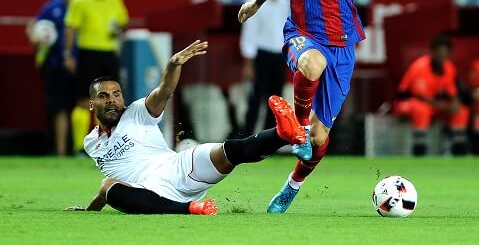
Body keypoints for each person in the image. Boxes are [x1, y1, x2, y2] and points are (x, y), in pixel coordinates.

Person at [237, 0, 400, 213]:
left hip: (343, 46)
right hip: (302, 33)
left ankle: (292, 186)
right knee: (312, 64)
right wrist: (256, 3)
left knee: (321, 137)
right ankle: (297, 129)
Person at [64, 40, 306, 214]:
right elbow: (111, 183)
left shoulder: (138, 112)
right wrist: (90, 209)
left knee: (229, 151)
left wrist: (172, 66)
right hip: (150, 191)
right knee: (107, 186)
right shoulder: (91, 143)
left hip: (179, 167)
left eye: (117, 94)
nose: (112, 101)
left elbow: (164, 91)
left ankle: (282, 134)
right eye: (104, 96)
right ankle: (189, 208)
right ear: (91, 104)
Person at [64, 0, 129, 154]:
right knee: (86, 100)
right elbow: (70, 28)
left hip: (109, 53)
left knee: (114, 101)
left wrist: (118, 30)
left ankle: (112, 144)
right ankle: (79, 146)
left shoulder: (115, 0)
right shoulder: (79, 0)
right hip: (88, 53)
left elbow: (123, 23)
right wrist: (68, 54)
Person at [26, 0, 79, 156]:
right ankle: (62, 152)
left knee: (84, 106)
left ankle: (85, 149)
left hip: (84, 62)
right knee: (61, 108)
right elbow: (34, 26)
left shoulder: (83, 4)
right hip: (57, 65)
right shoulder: (52, 7)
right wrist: (34, 37)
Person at [393, 35, 470, 156]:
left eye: (445, 53)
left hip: (434, 106)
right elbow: (420, 96)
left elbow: (452, 92)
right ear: (432, 52)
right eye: (439, 52)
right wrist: (445, 107)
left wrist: (455, 103)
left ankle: (458, 151)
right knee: (421, 109)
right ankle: (420, 150)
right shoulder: (420, 66)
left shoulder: (449, 67)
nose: (441, 56)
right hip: (407, 103)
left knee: (461, 111)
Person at [239, 0, 290, 136]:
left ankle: (270, 138)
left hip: (279, 56)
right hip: (261, 56)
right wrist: (249, 64)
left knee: (276, 101)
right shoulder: (254, 1)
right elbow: (249, 34)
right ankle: (247, 136)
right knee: (255, 99)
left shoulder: (284, 3)